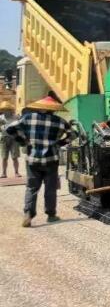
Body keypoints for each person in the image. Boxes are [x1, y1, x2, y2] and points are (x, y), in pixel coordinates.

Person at [5, 95, 75, 227]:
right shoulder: (59, 121)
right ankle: (51, 215)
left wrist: (23, 141)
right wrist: (59, 143)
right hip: (51, 159)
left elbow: (9, 129)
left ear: (39, 107)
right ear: (53, 109)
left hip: (33, 159)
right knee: (50, 188)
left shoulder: (28, 118)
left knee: (32, 187)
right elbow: (73, 134)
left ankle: (28, 214)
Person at [0, 101, 21, 178]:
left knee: (14, 157)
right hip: (4, 138)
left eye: (7, 109)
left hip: (14, 138)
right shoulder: (1, 118)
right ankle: (3, 173)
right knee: (4, 157)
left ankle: (16, 172)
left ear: (11, 109)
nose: (6, 111)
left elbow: (20, 126)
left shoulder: (16, 117)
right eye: (4, 109)